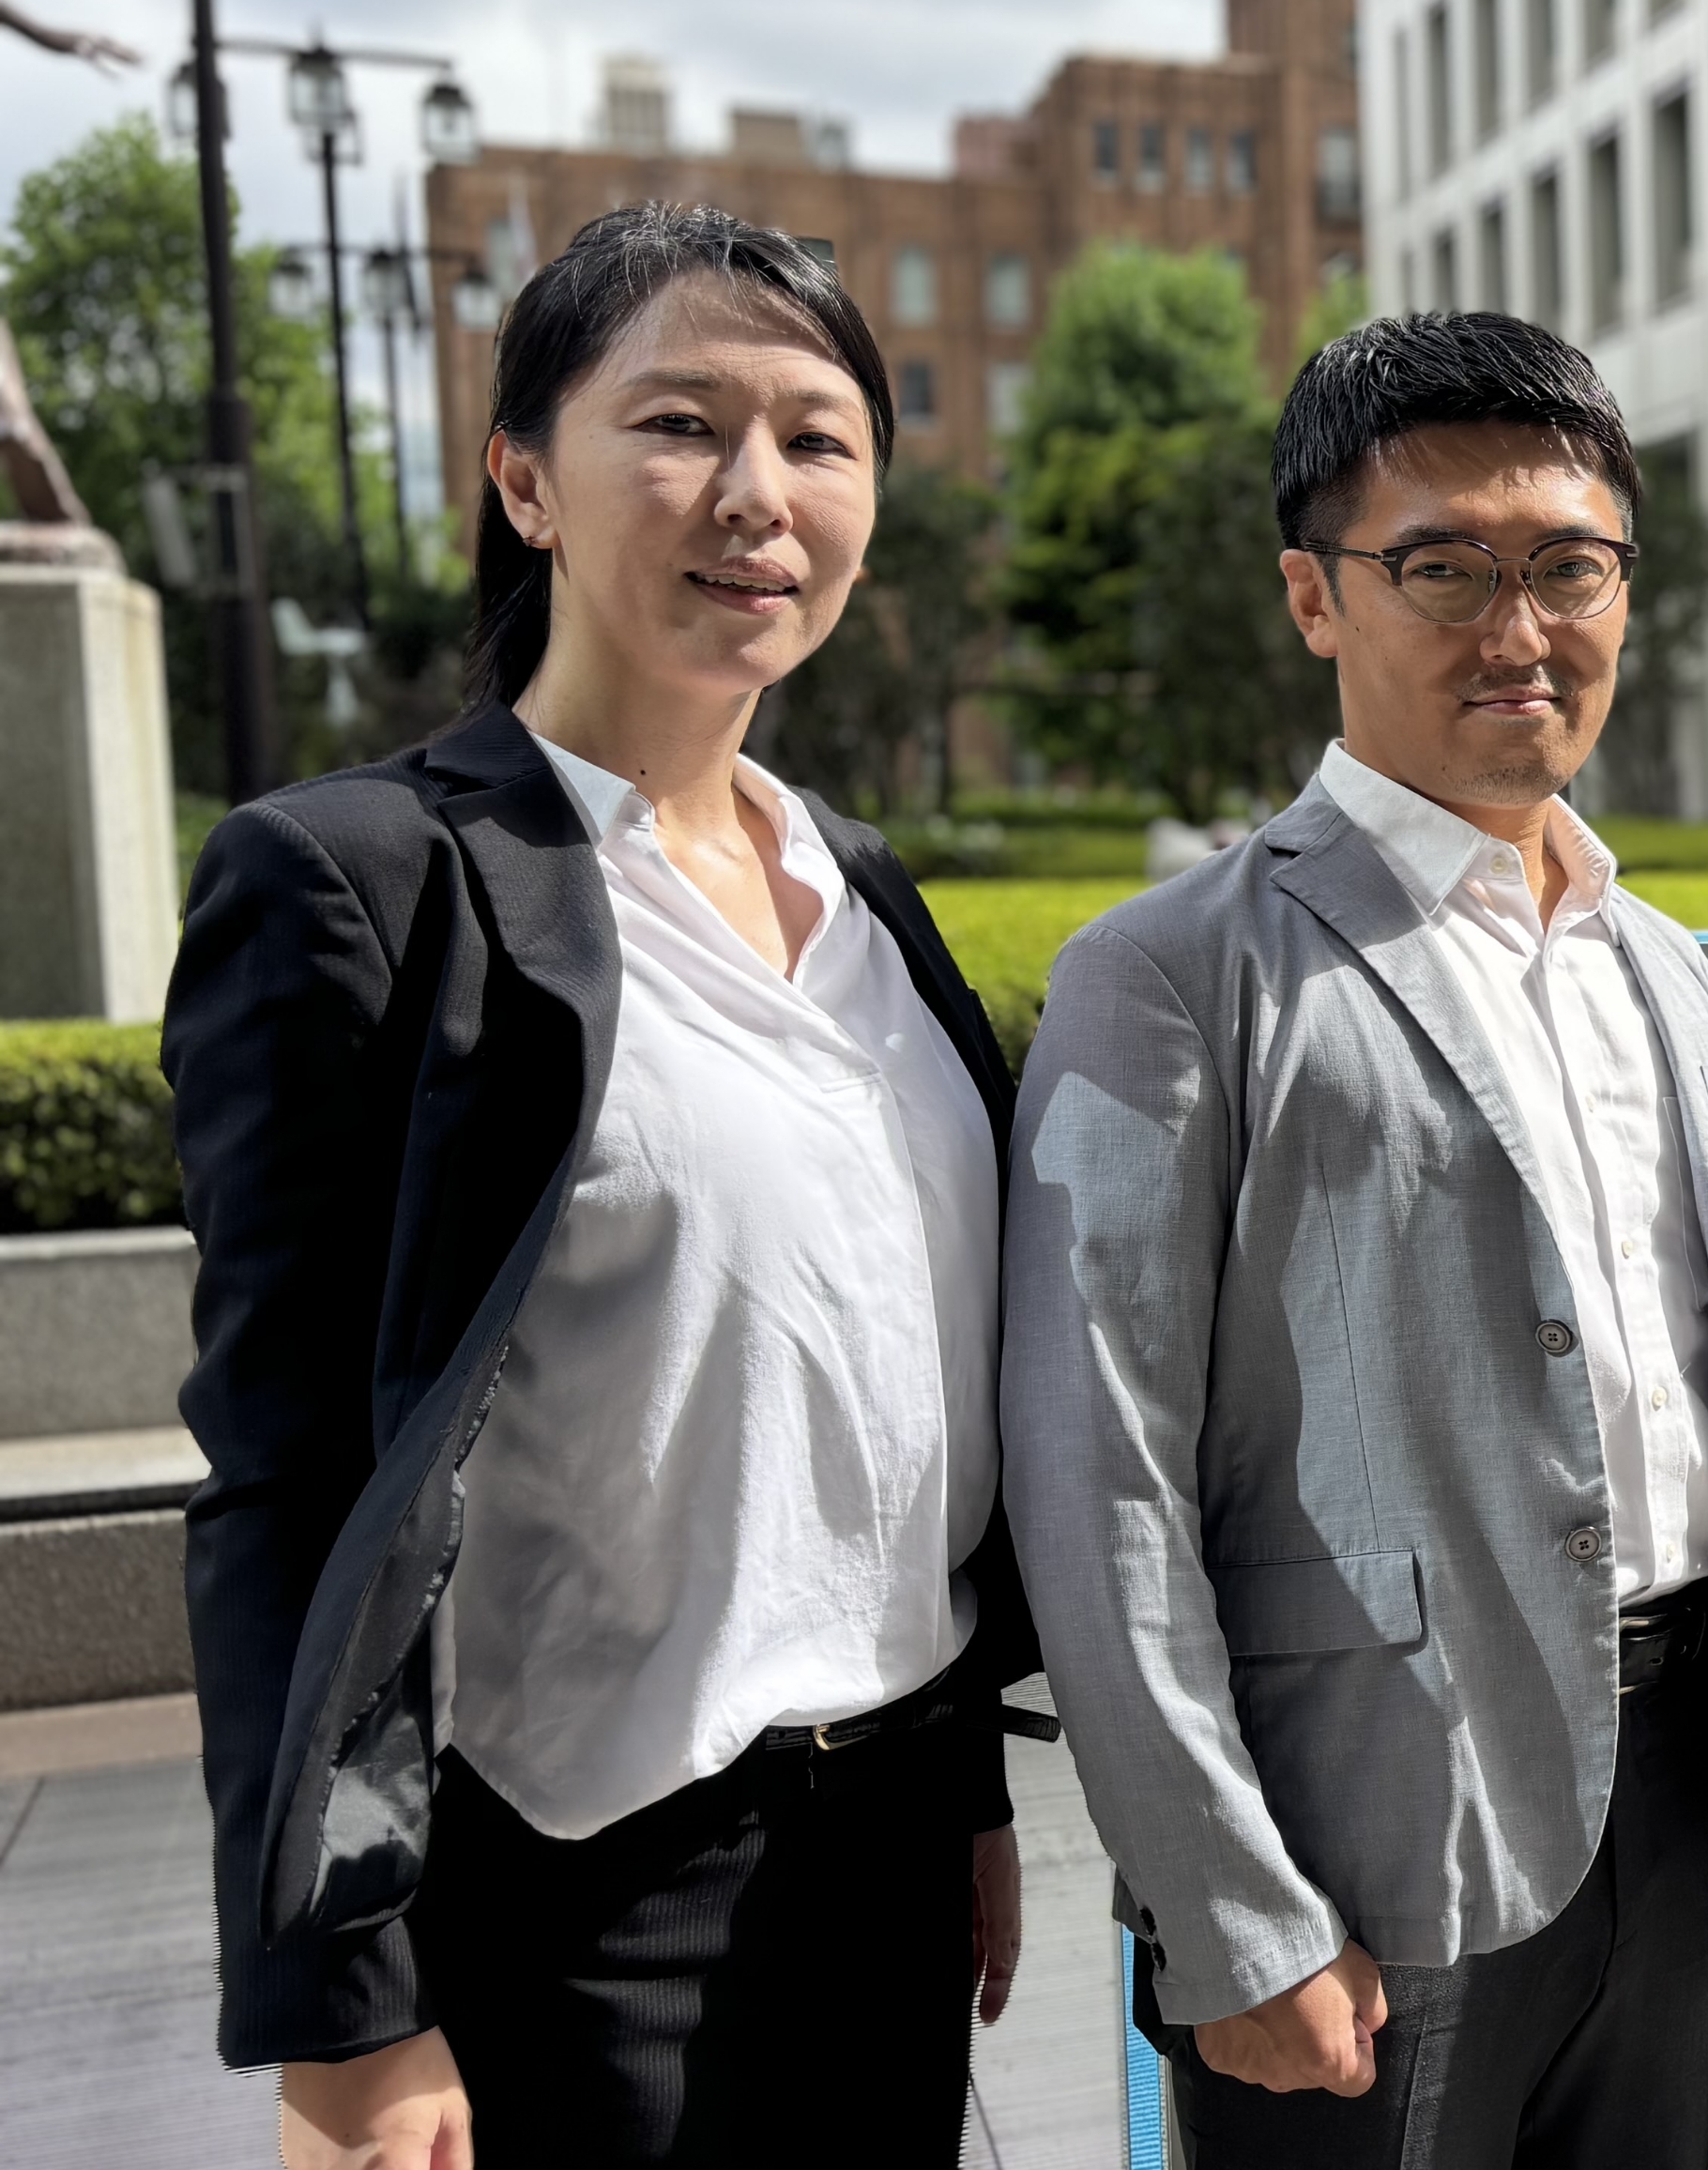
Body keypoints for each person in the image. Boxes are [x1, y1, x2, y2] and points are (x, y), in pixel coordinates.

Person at [159, 202, 1045, 2168]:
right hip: (573, 1900)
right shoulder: (362, 884)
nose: (757, 494)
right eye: (679, 424)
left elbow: (881, 1395)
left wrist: (972, 1780)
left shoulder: (861, 889)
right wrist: (343, 2005)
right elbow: (288, 1483)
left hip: (889, 1845)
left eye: (817, 439)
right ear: (524, 480)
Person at [1003, 311, 1708, 2167]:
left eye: (1569, 567)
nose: (1518, 629)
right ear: (1315, 596)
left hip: (1676, 1788)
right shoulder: (1173, 975)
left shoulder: (1663, 962)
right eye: (1445, 569)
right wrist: (1228, 1910)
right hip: (1363, 1835)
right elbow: (1098, 1483)